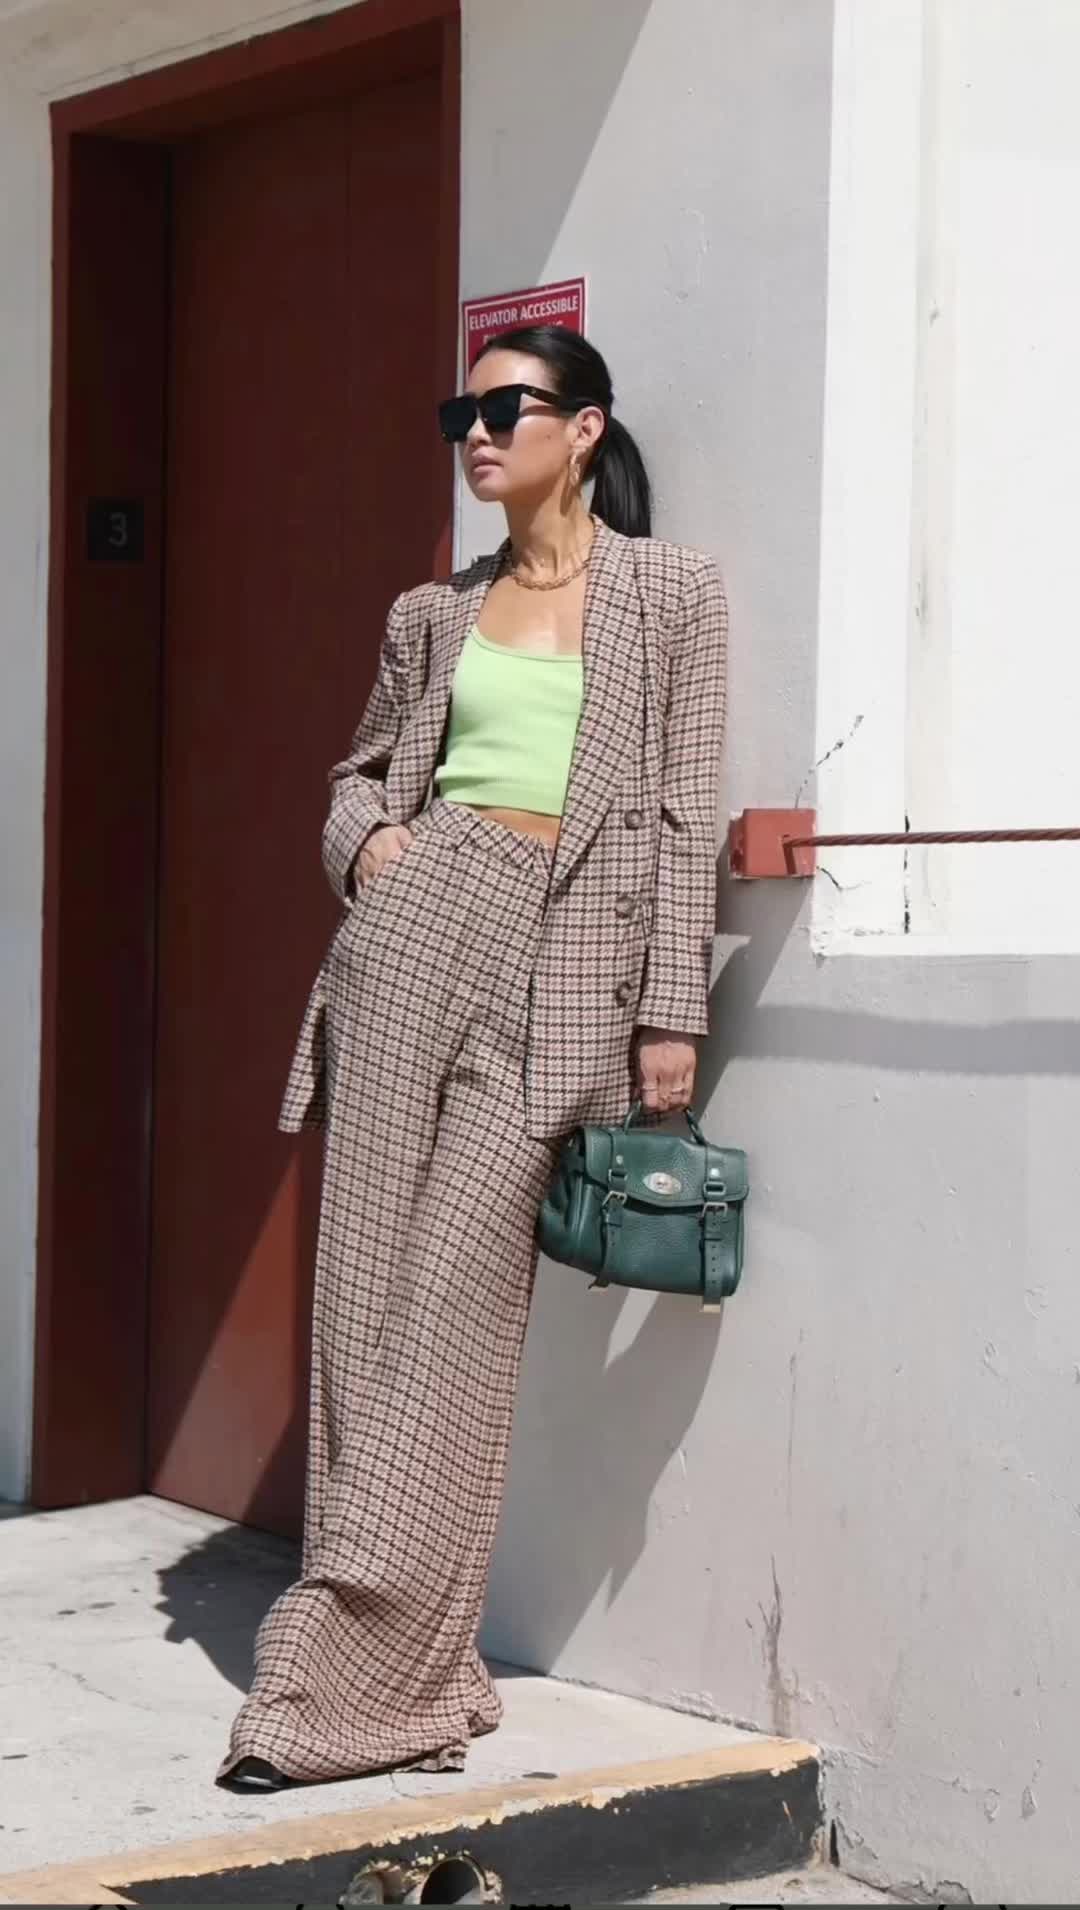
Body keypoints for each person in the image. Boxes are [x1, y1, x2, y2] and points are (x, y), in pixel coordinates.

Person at [215, 326, 729, 1790]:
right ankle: (393, 1676)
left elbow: (687, 814)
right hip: (413, 933)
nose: (478, 433)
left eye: (507, 407)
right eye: (465, 412)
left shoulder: (674, 595)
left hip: (565, 975)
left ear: (586, 427)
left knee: (449, 1310)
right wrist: (372, 851)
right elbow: (357, 778)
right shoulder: (431, 611)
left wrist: (671, 1010)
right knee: (362, 1303)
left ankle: (334, 1674)